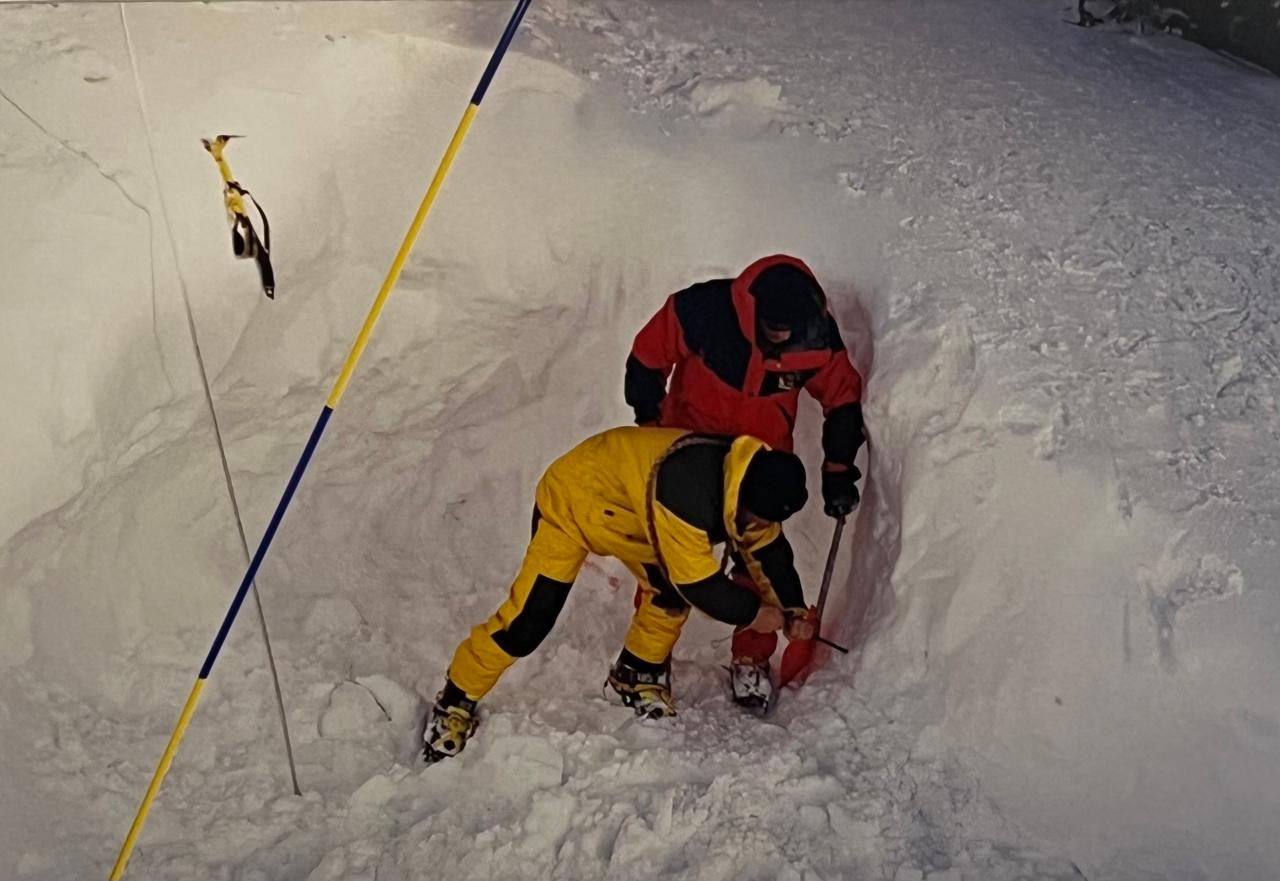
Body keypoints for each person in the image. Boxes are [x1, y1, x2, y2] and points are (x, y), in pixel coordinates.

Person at [423, 425, 813, 763]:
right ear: (741, 497)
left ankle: (636, 672)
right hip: (575, 499)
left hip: (635, 520)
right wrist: (754, 613)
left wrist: (792, 607)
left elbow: (770, 553)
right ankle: (457, 695)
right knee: (530, 618)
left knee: (667, 597)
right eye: (757, 517)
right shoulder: (687, 489)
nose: (759, 524)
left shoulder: (753, 490)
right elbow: (699, 585)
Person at [624, 254, 865, 708]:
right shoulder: (702, 311)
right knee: (664, 554)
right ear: (752, 309)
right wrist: (650, 422)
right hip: (689, 449)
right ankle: (649, 654)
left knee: (759, 562)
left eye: (788, 330)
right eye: (772, 327)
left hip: (760, 464)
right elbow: (646, 356)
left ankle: (752, 657)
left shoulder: (817, 335)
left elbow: (842, 398)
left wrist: (837, 471)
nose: (780, 337)